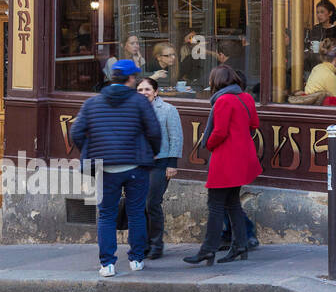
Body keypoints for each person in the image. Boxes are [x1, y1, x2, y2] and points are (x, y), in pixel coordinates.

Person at [70, 60, 161, 276]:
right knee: (137, 212)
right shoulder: (140, 102)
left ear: (113, 78)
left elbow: (76, 133)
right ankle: (137, 259)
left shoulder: (93, 103)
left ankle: (107, 264)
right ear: (131, 79)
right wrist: (152, 151)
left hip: (106, 167)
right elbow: (154, 131)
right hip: (135, 166)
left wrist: (90, 151)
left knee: (106, 215)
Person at [185, 65, 262, 265]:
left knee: (216, 205)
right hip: (243, 156)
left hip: (226, 158)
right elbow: (254, 123)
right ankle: (240, 245)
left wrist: (208, 144)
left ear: (216, 81)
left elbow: (219, 132)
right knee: (232, 203)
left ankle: (208, 250)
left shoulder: (223, 100)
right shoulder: (245, 97)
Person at [137, 77, 182, 260]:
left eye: (147, 89)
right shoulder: (133, 110)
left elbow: (176, 137)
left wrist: (172, 164)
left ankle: (156, 244)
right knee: (139, 205)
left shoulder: (168, 110)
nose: (144, 93)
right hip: (138, 164)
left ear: (155, 92)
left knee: (152, 203)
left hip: (160, 163)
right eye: (140, 90)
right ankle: (143, 243)